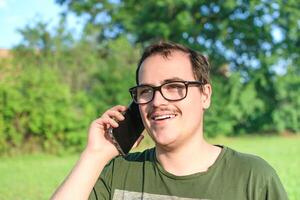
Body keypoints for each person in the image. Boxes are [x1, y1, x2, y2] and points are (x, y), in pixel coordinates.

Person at [51, 41, 288, 200]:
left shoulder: (252, 177)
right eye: (146, 91)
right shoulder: (116, 174)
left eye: (174, 87)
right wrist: (95, 155)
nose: (157, 102)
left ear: (205, 95)